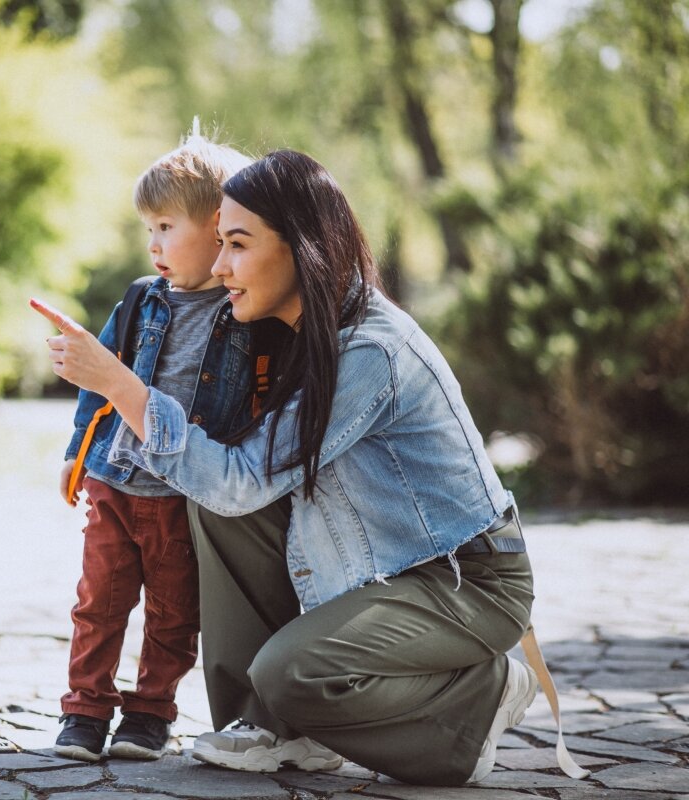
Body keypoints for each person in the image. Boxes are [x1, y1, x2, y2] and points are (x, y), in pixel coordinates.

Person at [31, 149, 540, 785]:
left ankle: (479, 698)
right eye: (216, 243)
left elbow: (242, 479)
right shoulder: (294, 331)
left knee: (292, 672)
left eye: (237, 245)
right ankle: (268, 727)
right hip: (377, 567)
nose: (219, 266)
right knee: (212, 506)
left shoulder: (368, 352)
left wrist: (120, 385)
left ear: (301, 248)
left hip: (461, 579)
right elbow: (233, 479)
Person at [50, 130, 256, 763]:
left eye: (167, 226)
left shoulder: (241, 310)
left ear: (218, 227)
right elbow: (98, 376)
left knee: (173, 612)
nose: (154, 243)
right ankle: (84, 710)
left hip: (180, 495)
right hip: (116, 479)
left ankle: (148, 713)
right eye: (149, 228)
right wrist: (77, 452)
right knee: (99, 601)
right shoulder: (143, 299)